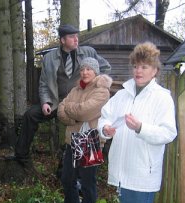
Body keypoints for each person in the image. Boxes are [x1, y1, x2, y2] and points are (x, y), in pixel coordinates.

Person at [98, 42, 177, 203]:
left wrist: (141, 127)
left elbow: (168, 133)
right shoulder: (123, 94)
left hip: (144, 171)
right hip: (123, 170)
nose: (138, 71)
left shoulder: (162, 97)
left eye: (144, 66)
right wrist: (106, 129)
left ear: (154, 70)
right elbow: (105, 116)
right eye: (136, 66)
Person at [10, 24, 111, 167]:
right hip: (56, 102)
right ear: (62, 40)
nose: (76, 40)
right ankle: (21, 155)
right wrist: (45, 102)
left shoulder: (88, 52)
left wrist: (97, 84)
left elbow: (105, 67)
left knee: (80, 127)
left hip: (79, 102)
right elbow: (44, 83)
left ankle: (72, 168)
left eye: (77, 36)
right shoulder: (49, 58)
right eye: (72, 37)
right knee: (30, 115)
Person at [57, 57, 111, 203]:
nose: (85, 72)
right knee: (67, 179)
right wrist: (75, 113)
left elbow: (86, 111)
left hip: (90, 140)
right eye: (82, 69)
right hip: (73, 138)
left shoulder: (102, 91)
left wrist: (72, 110)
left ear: (95, 71)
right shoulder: (75, 89)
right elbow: (60, 110)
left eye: (89, 69)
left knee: (87, 183)